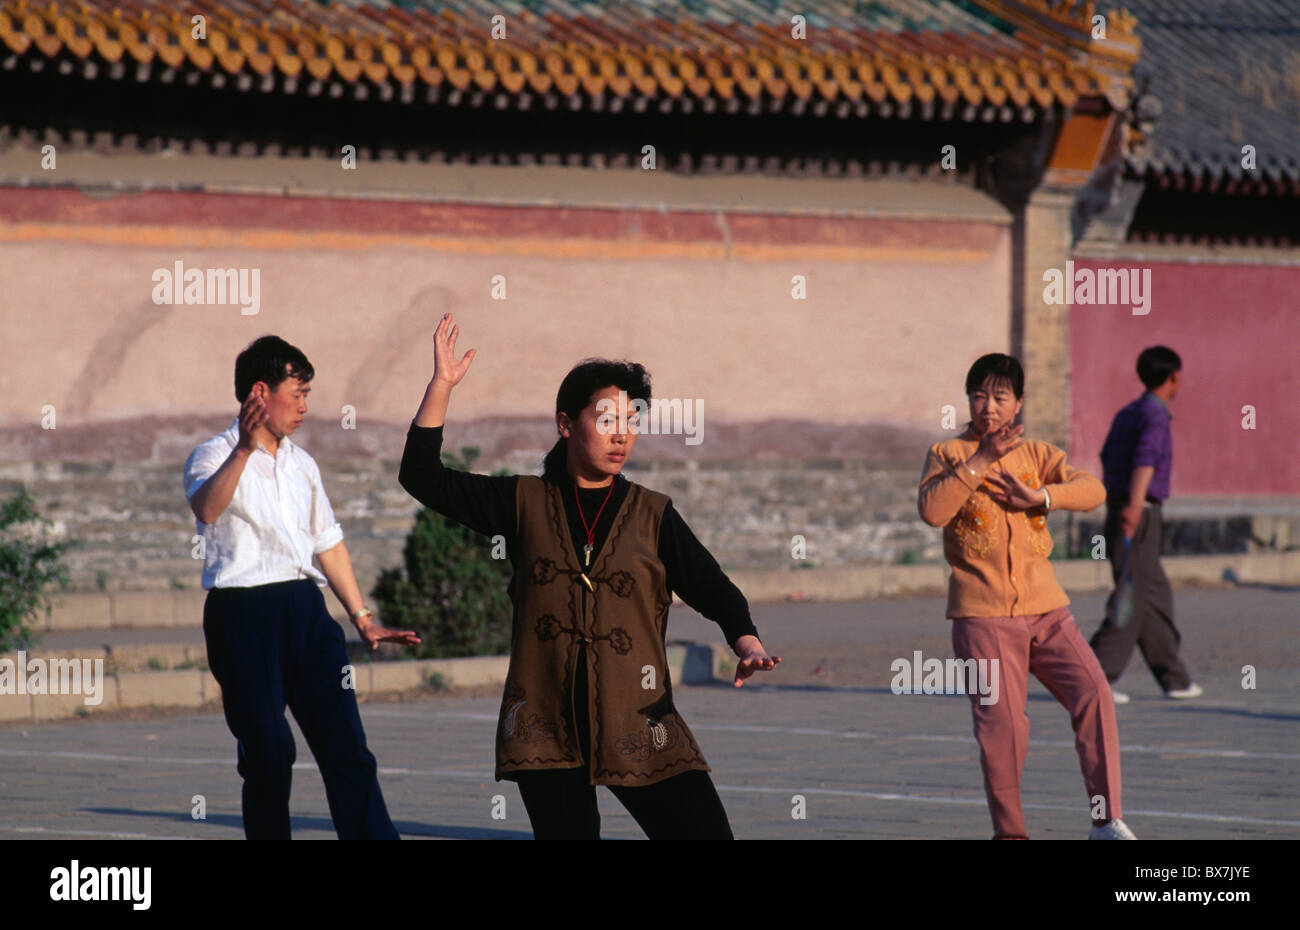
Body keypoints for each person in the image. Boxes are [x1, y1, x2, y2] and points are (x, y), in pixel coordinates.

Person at [398, 313, 780, 839]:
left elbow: (711, 586)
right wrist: (442, 385)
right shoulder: (521, 502)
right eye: (606, 420)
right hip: (546, 724)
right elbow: (421, 476)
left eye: (631, 421)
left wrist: (747, 641)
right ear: (565, 423)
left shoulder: (652, 513)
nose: (621, 435)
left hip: (640, 719)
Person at [184, 335, 419, 840]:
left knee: (347, 748)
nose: (305, 407)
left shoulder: (302, 465)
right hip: (241, 615)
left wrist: (362, 617)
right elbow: (207, 508)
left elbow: (327, 543)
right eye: (299, 392)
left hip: (305, 612)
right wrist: (245, 451)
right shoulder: (210, 455)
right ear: (260, 393)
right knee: (270, 752)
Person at [917, 353, 1136, 839]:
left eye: (999, 397)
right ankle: (1011, 834)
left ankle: (1106, 820)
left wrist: (1043, 498)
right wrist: (980, 461)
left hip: (1048, 611)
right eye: (979, 396)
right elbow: (933, 511)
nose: (988, 407)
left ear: (1018, 403)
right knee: (1005, 731)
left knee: (1095, 694)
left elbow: (1093, 489)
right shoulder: (948, 454)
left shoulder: (1038, 455)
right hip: (983, 617)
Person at [1089, 346, 1201, 704]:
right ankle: (1093, 676)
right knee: (1132, 596)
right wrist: (1134, 506)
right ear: (1174, 377)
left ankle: (1175, 678)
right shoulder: (1155, 414)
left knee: (1154, 598)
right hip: (1140, 513)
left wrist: (1116, 502)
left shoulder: (1128, 412)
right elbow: (1146, 459)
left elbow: (1107, 456)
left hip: (1121, 507)